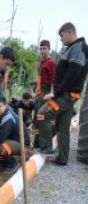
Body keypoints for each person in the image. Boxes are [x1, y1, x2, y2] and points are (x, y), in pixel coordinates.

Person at [36, 22, 88, 165]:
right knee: (63, 127)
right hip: (68, 95)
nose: (61, 39)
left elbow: (73, 73)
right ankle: (63, 159)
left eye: (62, 35)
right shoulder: (74, 47)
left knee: (41, 115)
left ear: (71, 32)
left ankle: (46, 148)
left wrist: (55, 92)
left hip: (65, 95)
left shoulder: (78, 48)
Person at [0, 96, 31, 173]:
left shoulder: (9, 118)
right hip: (12, 140)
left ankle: (13, 164)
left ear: (5, 105)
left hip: (23, 144)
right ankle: (3, 164)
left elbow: (0, 137)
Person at [32, 40, 57, 147]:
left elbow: (54, 80)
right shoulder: (41, 63)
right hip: (39, 93)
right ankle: (36, 142)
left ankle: (45, 144)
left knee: (42, 118)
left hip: (47, 93)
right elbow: (39, 80)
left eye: (44, 48)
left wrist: (51, 93)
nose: (42, 51)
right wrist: (35, 92)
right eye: (41, 48)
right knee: (36, 119)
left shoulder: (51, 63)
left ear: (49, 49)